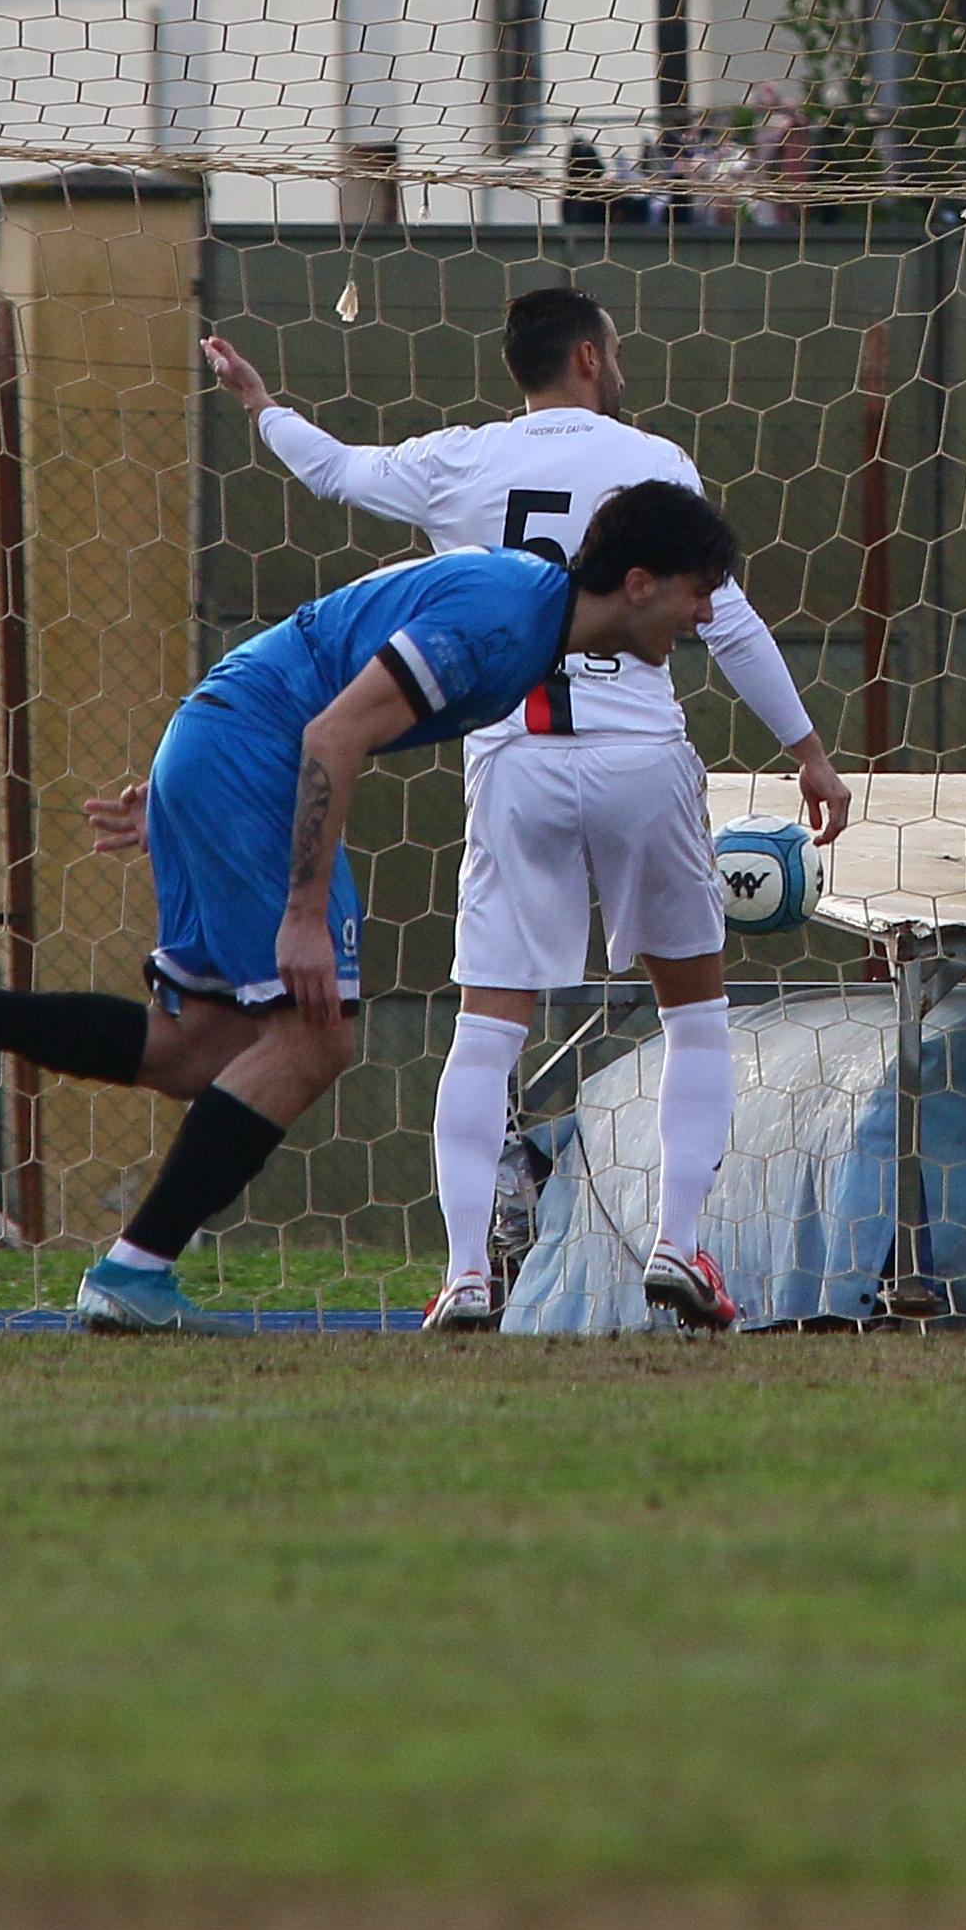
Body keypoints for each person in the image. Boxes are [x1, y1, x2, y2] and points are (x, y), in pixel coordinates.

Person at [0, 485, 748, 1332]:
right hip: (250, 758)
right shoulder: (507, 621)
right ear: (639, 582)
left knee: (201, 1047)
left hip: (223, 747)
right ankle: (133, 1272)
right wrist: (302, 909)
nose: (705, 615)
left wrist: (190, 784)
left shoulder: (525, 606)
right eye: (699, 591)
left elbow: (317, 671)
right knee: (315, 1037)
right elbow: (333, 730)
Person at [206, 288, 852, 1330]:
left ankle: (468, 1271)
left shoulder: (458, 460)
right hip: (640, 756)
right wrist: (807, 752)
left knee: (487, 1025)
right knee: (695, 1015)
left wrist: (261, 405)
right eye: (617, 348)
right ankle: (678, 1247)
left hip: (516, 758)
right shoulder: (653, 463)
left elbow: (333, 470)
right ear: (590, 357)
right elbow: (726, 622)